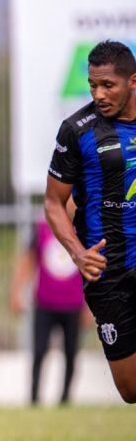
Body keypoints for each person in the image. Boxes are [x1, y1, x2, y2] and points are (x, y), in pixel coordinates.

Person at [45, 39, 136, 405]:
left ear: (132, 81)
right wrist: (78, 254)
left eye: (107, 85)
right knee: (130, 389)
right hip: (107, 272)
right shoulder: (76, 131)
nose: (98, 94)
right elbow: (53, 203)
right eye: (92, 85)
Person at [10, 208, 86, 405]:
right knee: (39, 351)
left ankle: (65, 398)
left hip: (73, 304)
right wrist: (17, 292)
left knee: (71, 353)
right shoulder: (42, 226)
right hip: (45, 303)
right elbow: (28, 259)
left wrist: (90, 307)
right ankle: (34, 398)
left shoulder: (84, 227)